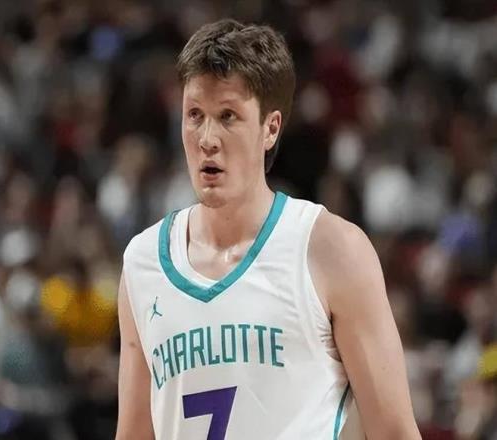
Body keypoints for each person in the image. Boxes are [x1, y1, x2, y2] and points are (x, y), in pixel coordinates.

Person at [116, 19, 421, 440]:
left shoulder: (330, 248)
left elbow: (395, 432)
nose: (207, 138)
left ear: (270, 128)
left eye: (227, 116)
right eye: (194, 115)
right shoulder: (143, 261)